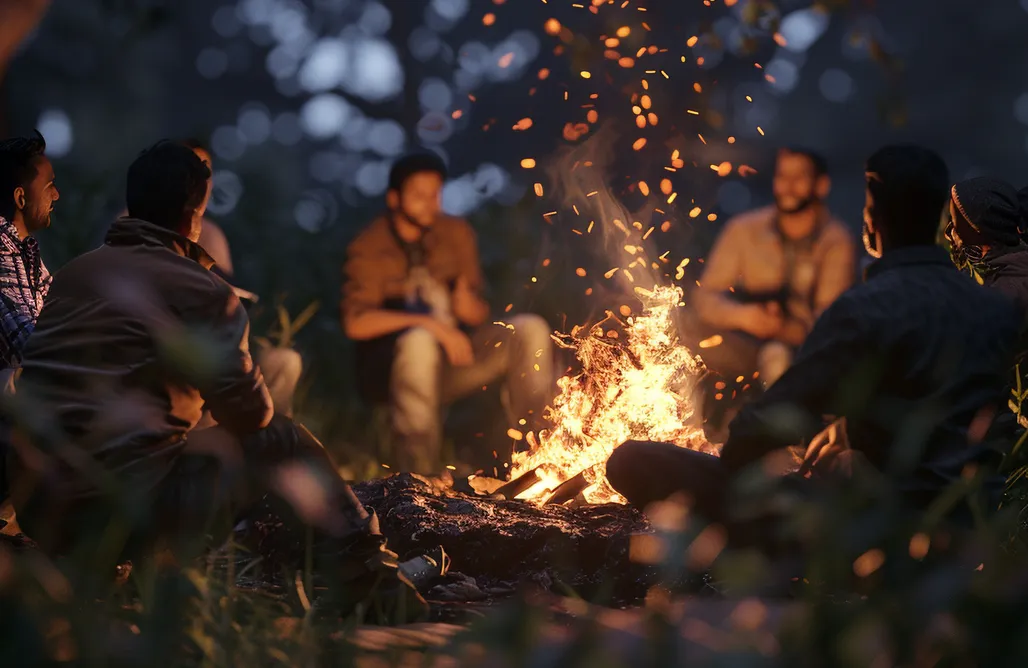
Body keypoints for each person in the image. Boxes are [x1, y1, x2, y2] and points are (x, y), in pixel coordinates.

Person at [6, 141, 420, 617]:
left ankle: (122, 570)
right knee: (284, 439)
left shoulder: (71, 277)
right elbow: (251, 416)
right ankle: (376, 586)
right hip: (124, 507)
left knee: (159, 445)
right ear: (193, 216)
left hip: (43, 506)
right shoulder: (203, 288)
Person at [607, 145, 1021, 531]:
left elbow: (765, 427)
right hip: (969, 520)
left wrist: (746, 454)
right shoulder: (994, 310)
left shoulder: (866, 307)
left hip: (877, 527)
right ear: (937, 221)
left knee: (631, 460)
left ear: (873, 218)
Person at [342, 153, 555, 474]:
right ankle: (418, 477)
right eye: (418, 195)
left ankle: (541, 453)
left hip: (450, 364)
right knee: (418, 342)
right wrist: (427, 323)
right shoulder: (370, 246)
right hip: (393, 373)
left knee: (528, 328)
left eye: (435, 194)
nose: (429, 203)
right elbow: (356, 323)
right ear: (394, 198)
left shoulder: (454, 234)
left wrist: (465, 304)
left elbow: (476, 314)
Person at [117, 138, 303, 417]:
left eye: (205, 170)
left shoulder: (211, 235)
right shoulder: (130, 230)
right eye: (190, 169)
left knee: (282, 362)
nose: (202, 180)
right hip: (163, 372)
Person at [690, 147, 855, 389]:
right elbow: (705, 297)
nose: (788, 186)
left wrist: (783, 329)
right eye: (782, 177)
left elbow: (829, 323)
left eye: (799, 177)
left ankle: (780, 422)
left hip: (802, 352)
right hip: (739, 340)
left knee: (779, 358)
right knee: (686, 337)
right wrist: (745, 316)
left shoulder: (835, 241)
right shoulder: (744, 230)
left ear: (821, 185)